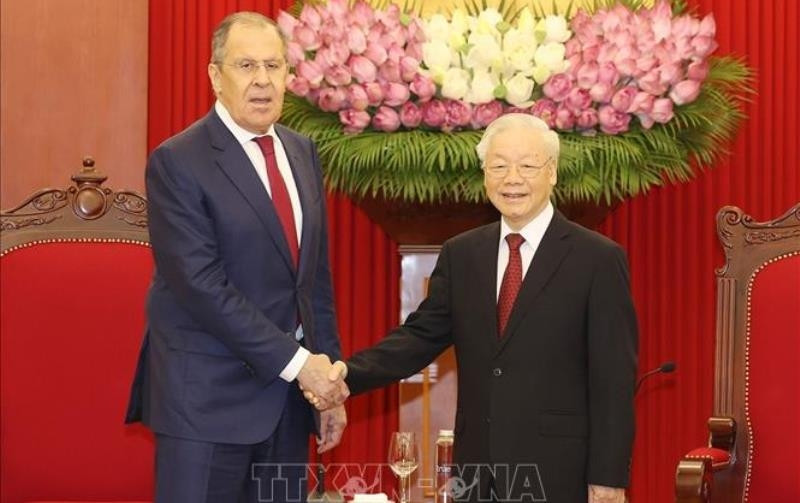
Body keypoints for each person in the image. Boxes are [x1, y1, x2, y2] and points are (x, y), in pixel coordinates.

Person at [314, 114, 638, 502]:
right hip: (477, 472)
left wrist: (607, 476)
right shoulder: (462, 253)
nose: (512, 178)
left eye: (527, 166)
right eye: (498, 166)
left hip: (560, 472)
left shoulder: (597, 258)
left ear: (551, 172)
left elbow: (613, 377)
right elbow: (418, 337)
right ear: (485, 174)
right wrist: (347, 376)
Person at [125, 11, 348, 503]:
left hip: (289, 406)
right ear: (214, 75)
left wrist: (327, 382)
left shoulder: (302, 152)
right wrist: (299, 365)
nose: (263, 80)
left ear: (291, 75)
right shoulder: (178, 161)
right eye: (246, 66)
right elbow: (202, 288)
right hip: (205, 406)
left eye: (274, 66)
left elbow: (313, 281)